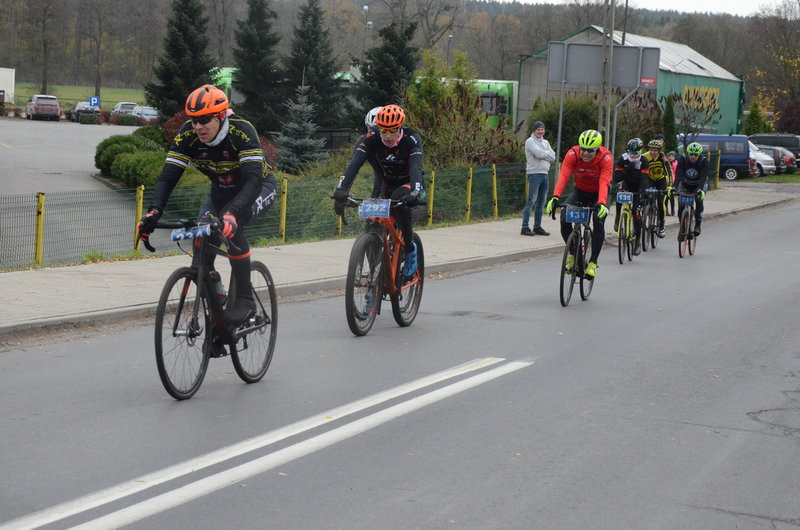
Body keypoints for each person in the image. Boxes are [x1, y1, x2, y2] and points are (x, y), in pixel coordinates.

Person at [138, 84, 277, 326]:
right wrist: (154, 211)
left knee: (234, 228)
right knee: (202, 236)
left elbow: (253, 180)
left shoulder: (241, 132)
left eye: (204, 120)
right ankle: (213, 286)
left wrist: (233, 214)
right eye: (193, 120)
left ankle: (245, 299)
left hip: (256, 188)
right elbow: (168, 177)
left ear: (221, 116)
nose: (198, 127)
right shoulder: (187, 136)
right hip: (220, 193)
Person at [332, 104, 424, 277]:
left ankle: (410, 247)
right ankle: (376, 274)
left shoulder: (411, 139)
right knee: (371, 222)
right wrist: (341, 190)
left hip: (408, 183)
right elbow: (353, 165)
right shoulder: (369, 138)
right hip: (385, 183)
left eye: (393, 130)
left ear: (400, 128)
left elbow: (416, 169)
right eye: (384, 131)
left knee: (399, 199)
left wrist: (415, 192)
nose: (388, 136)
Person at [544, 129, 613, 279]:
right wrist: (555, 197)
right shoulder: (573, 154)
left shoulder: (605, 158)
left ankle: (593, 263)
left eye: (590, 151)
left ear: (597, 150)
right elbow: (564, 175)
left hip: (599, 194)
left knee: (598, 221)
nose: (586, 153)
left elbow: (604, 180)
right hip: (580, 191)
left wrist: (601, 202)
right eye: (584, 149)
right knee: (564, 217)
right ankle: (573, 253)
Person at [613, 137, 649, 255]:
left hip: (638, 187)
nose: (633, 156)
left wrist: (643, 192)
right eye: (631, 153)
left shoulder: (643, 160)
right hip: (626, 183)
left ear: (640, 152)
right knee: (620, 192)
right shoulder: (623, 159)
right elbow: (616, 178)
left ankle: (637, 241)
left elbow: (644, 179)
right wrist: (626, 170)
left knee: (636, 213)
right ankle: (618, 217)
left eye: (636, 153)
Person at [521, 120, 556, 236]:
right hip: (534, 174)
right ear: (534, 130)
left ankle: (537, 226)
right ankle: (525, 227)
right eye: (538, 129)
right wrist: (546, 154)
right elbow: (539, 154)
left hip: (545, 173)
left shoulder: (545, 142)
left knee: (541, 202)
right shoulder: (529, 142)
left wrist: (544, 153)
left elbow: (553, 156)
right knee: (531, 200)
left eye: (542, 129)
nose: (540, 131)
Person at [672, 141, 708, 238]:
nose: (693, 156)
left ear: (699, 154)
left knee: (699, 200)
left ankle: (697, 225)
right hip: (685, 184)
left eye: (696, 154)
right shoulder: (683, 159)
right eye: (691, 154)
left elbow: (703, 177)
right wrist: (674, 187)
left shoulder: (703, 161)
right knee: (681, 205)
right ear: (688, 154)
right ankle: (682, 228)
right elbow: (678, 174)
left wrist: (700, 190)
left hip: (698, 185)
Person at [643, 138, 672, 237]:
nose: (653, 152)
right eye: (651, 150)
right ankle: (645, 214)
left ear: (659, 151)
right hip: (650, 179)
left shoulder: (663, 157)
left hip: (661, 180)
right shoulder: (645, 157)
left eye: (655, 151)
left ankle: (662, 225)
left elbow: (669, 171)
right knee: (644, 197)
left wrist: (669, 186)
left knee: (660, 202)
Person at [666, 150, 678, 216]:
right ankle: (666, 210)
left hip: (673, 181)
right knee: (666, 197)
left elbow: (676, 171)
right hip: (667, 182)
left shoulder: (676, 163)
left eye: (672, 156)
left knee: (672, 197)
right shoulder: (666, 163)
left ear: (674, 157)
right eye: (669, 156)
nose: (670, 157)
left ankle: (672, 210)